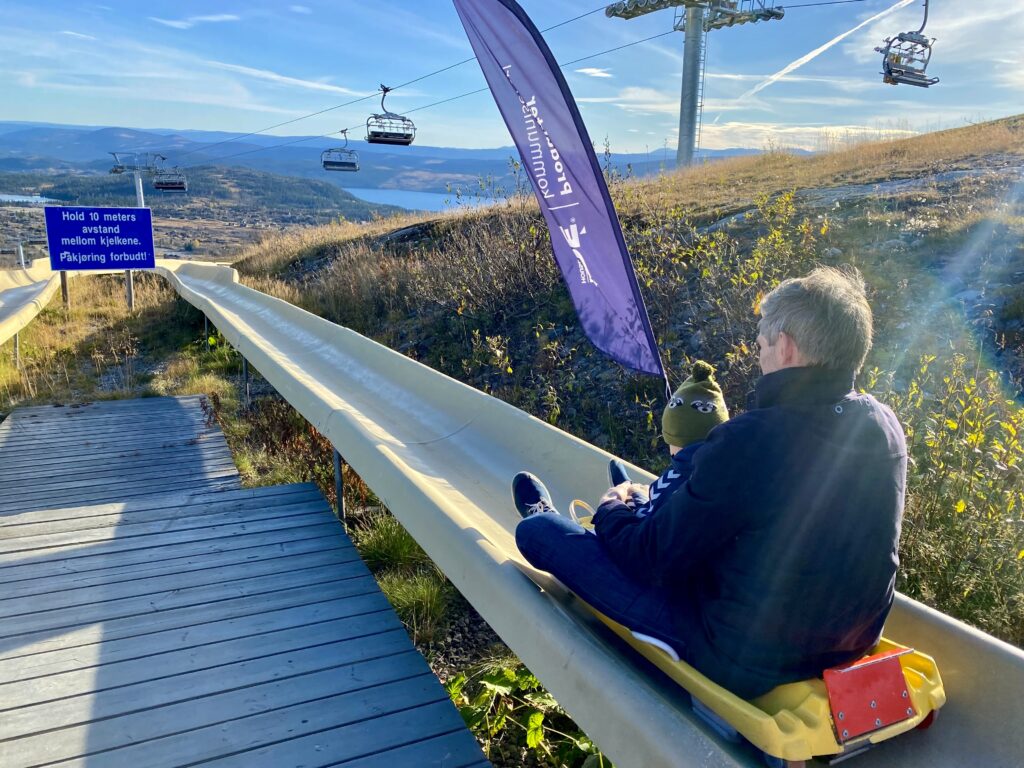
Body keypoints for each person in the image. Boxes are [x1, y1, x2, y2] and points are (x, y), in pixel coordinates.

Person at [513, 266, 906, 699]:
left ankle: (560, 512)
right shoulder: (883, 425)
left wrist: (610, 511)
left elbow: (652, 558)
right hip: (851, 644)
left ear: (787, 348)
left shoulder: (752, 437)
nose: (759, 359)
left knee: (538, 534)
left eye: (761, 345)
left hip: (743, 656)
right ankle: (644, 502)